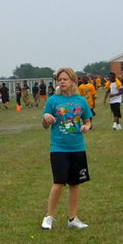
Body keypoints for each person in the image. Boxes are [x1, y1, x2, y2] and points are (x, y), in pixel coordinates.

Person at [40, 67, 93, 230]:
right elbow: (44, 125)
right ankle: (48, 217)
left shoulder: (81, 101)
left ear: (72, 81)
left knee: (75, 184)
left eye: (65, 79)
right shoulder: (53, 100)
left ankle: (72, 218)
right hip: (59, 148)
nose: (61, 82)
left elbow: (88, 121)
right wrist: (46, 119)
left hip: (77, 147)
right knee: (58, 183)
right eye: (59, 79)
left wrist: (86, 126)